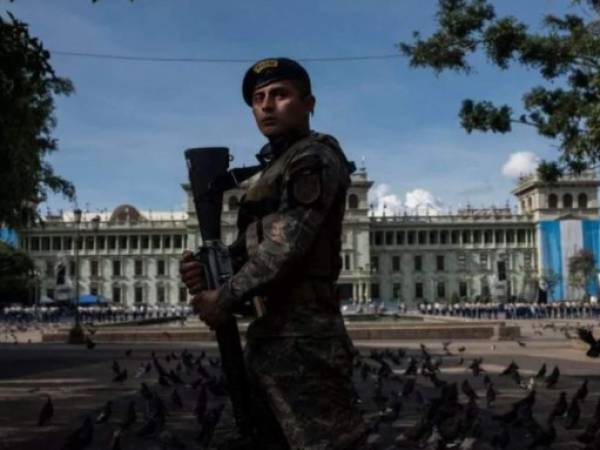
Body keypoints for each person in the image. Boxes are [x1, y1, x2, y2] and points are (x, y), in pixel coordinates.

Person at [179, 57, 368, 450]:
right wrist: (209, 268)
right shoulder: (268, 172)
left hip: (305, 342)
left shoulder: (312, 157)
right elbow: (253, 247)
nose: (266, 105)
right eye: (258, 98)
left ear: (309, 103)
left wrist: (224, 297)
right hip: (269, 337)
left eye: (280, 95)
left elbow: (286, 245)